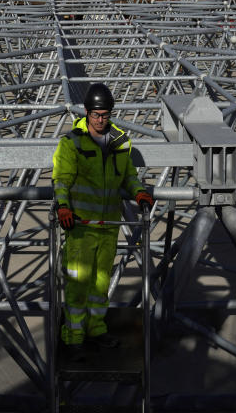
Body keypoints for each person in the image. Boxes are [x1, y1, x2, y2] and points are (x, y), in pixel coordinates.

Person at [52, 83, 153, 359]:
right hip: (80, 227)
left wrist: (140, 192)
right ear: (86, 112)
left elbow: (129, 176)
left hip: (108, 226)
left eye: (105, 115)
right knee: (78, 282)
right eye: (96, 114)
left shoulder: (121, 142)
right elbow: (61, 178)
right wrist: (63, 206)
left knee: (100, 283)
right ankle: (73, 336)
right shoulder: (72, 142)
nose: (100, 120)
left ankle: (96, 328)